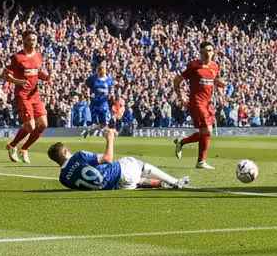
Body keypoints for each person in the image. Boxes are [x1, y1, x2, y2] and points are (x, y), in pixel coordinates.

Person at [48, 127, 189, 191]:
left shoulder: (63, 179)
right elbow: (108, 158)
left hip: (117, 187)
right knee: (139, 165)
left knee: (136, 180)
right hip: (119, 173)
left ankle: (159, 184)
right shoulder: (79, 156)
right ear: (65, 151)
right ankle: (174, 182)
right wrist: (110, 138)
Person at [172, 41, 227, 169]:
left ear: (213, 53)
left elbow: (214, 80)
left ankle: (182, 142)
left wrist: (220, 89)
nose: (208, 53)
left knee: (206, 132)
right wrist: (181, 97)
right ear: (201, 52)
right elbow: (177, 80)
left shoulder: (215, 66)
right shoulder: (194, 66)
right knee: (207, 130)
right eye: (206, 50)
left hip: (208, 103)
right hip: (197, 102)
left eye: (210, 50)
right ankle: (200, 162)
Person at [2, 28, 50, 164]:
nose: (32, 42)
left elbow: (36, 73)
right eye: (29, 40)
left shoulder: (38, 56)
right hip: (22, 95)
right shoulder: (17, 58)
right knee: (30, 126)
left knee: (43, 124)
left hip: (35, 95)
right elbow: (5, 76)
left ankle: (24, 149)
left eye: (34, 40)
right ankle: (12, 145)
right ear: (23, 41)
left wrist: (45, 77)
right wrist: (19, 81)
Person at [83, 57, 114, 139]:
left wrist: (110, 96)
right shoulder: (93, 78)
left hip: (104, 104)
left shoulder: (109, 79)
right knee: (96, 123)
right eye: (100, 67)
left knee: (104, 123)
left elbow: (111, 91)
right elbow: (85, 86)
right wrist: (87, 95)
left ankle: (93, 131)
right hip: (94, 104)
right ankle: (92, 130)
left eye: (103, 67)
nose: (101, 69)